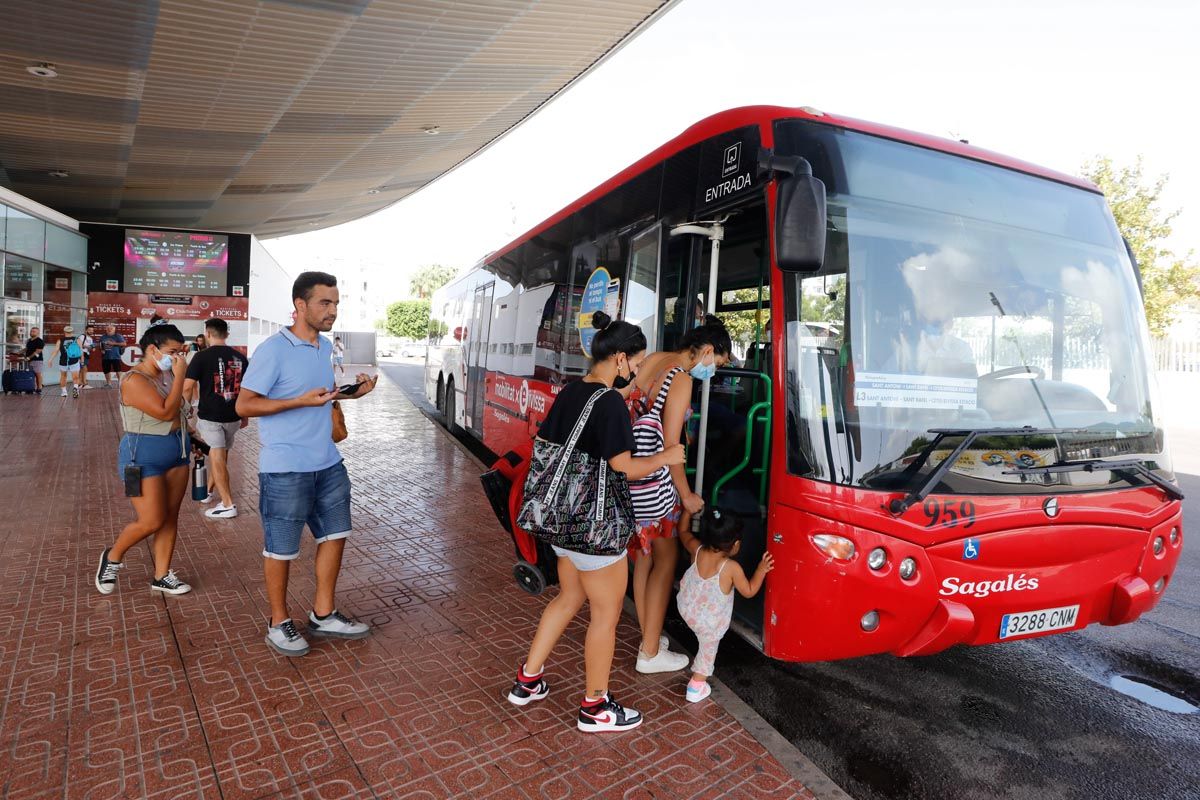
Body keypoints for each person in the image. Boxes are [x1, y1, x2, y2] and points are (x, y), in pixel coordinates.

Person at [506, 311, 685, 733]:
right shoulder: (608, 405)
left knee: (568, 599)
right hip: (595, 531)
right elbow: (623, 467)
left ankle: (528, 680)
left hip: (560, 523)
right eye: (637, 364)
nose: (639, 372)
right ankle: (595, 707)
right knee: (605, 617)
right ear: (620, 359)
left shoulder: (572, 392)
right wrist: (666, 457)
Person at [236, 271, 377, 657]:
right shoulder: (273, 349)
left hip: (328, 463)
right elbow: (244, 405)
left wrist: (352, 395)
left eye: (335, 303)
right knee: (280, 549)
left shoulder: (324, 346)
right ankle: (278, 621)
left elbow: (321, 397)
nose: (333, 311)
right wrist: (299, 400)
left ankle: (323, 613)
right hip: (285, 467)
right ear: (300, 305)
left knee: (335, 535)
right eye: (324, 303)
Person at [626, 316, 733, 674]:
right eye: (715, 364)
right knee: (666, 560)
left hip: (633, 478)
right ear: (705, 351)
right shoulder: (682, 378)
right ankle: (650, 653)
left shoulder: (656, 358)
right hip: (655, 486)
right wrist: (686, 495)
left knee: (643, 559)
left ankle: (648, 634)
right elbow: (671, 446)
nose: (712, 372)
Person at [95, 322, 194, 597]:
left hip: (178, 453)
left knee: (170, 517)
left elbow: (179, 412)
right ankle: (113, 556)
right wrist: (180, 377)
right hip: (141, 459)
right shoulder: (134, 380)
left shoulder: (166, 375)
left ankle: (162, 574)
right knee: (151, 519)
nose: (178, 358)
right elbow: (164, 412)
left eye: (181, 352)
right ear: (152, 349)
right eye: (173, 351)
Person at [676, 507, 773, 703]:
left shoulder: (698, 549)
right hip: (708, 624)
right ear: (736, 544)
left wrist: (687, 511)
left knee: (702, 633)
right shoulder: (731, 568)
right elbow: (749, 590)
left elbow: (683, 532)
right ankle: (696, 686)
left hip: (686, 607)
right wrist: (761, 569)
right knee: (707, 649)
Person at [184, 318, 249, 519]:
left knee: (218, 457)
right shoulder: (240, 357)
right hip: (233, 417)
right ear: (226, 334)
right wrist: (244, 414)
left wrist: (186, 412)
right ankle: (208, 491)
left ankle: (228, 504)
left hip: (211, 417)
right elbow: (247, 390)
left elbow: (187, 387)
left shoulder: (200, 357)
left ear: (207, 334)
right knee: (219, 457)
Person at [47, 326, 82, 397]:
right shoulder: (77, 339)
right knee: (75, 377)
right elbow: (81, 351)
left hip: (63, 361)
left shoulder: (60, 340)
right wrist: (82, 360)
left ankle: (64, 392)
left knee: (63, 376)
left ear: (64, 332)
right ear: (72, 332)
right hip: (74, 360)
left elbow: (55, 351)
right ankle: (75, 387)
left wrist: (50, 360)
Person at [99, 324, 126, 388]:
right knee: (106, 371)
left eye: (111, 328)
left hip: (115, 356)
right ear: (106, 329)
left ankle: (120, 384)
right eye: (108, 328)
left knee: (118, 371)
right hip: (105, 356)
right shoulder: (103, 337)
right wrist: (102, 350)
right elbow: (101, 345)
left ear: (114, 329)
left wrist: (113, 343)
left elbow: (124, 343)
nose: (109, 330)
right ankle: (109, 384)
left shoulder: (118, 336)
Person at [24, 327, 45, 395]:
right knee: (30, 375)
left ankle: (39, 388)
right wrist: (18, 353)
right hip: (29, 360)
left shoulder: (40, 341)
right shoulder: (29, 340)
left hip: (37, 360)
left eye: (34, 331)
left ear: (38, 333)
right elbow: (27, 348)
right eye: (31, 331)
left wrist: (29, 358)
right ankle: (31, 388)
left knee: (37, 374)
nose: (32, 332)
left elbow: (38, 351)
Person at [77, 324, 97, 390]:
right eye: (89, 330)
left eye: (92, 330)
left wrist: (92, 348)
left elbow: (91, 348)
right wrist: (88, 347)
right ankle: (84, 384)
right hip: (82, 354)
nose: (91, 331)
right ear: (86, 330)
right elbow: (79, 344)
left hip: (86, 354)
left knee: (82, 369)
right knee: (84, 369)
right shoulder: (82, 336)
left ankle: (80, 384)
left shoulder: (90, 338)